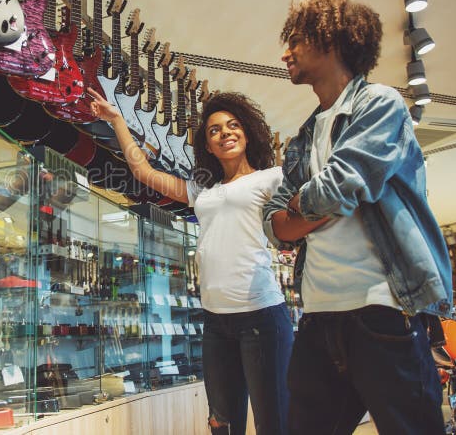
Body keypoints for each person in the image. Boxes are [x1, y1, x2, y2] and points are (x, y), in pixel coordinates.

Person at [262, 0, 452, 434]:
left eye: (296, 39)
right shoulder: (302, 138)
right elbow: (276, 224)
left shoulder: (380, 104)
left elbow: (337, 188)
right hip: (317, 317)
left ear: (330, 40)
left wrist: (302, 208)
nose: (285, 51)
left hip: (382, 310)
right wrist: (303, 210)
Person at [88, 86, 304, 434]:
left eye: (233, 125)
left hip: (261, 317)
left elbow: (307, 212)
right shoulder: (203, 192)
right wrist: (116, 120)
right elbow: (144, 173)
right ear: (207, 145)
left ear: (247, 133)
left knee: (273, 422)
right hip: (216, 322)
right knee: (222, 423)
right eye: (214, 130)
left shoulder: (272, 178)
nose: (225, 133)